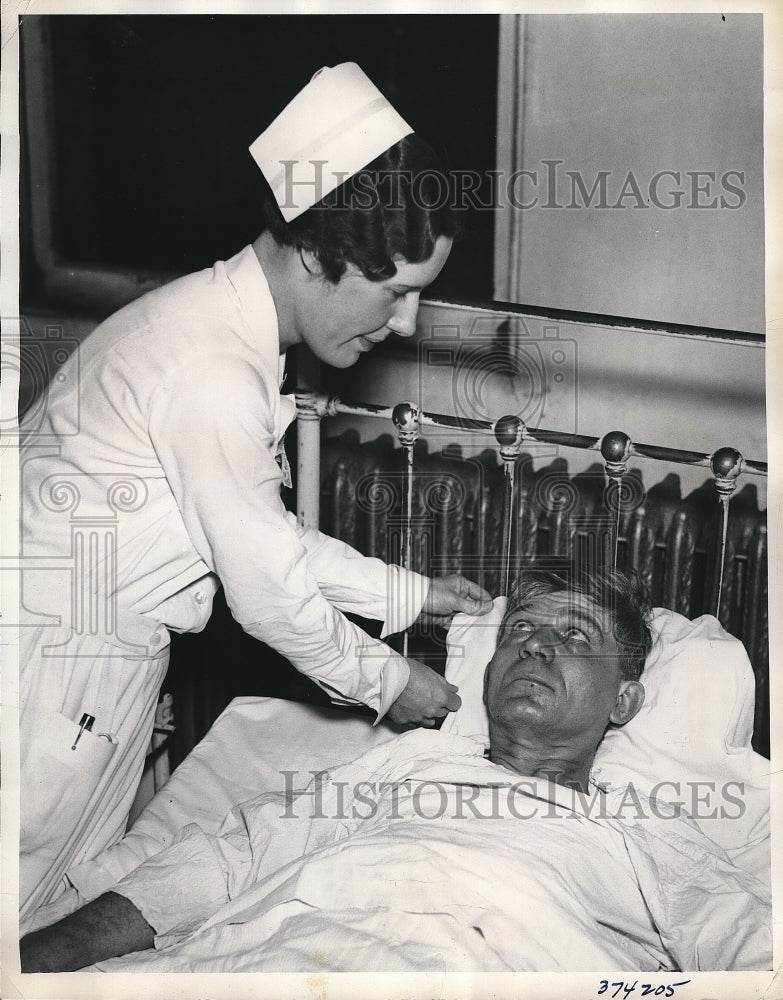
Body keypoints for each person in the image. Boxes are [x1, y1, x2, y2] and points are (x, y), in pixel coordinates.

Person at [17, 62, 492, 920]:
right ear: (319, 252)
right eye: (397, 292)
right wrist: (390, 682)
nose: (407, 324)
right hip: (50, 679)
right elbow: (269, 594)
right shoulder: (209, 371)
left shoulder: (215, 331)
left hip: (87, 665)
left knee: (56, 916)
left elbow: (263, 534)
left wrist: (415, 596)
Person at [20, 566, 673, 971]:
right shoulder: (405, 767)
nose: (534, 644)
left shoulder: (645, 840)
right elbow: (228, 862)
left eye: (574, 636)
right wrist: (46, 955)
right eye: (520, 631)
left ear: (623, 699)